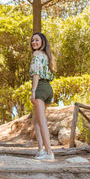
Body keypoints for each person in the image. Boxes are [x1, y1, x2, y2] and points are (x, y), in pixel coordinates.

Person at [29, 32, 56, 160]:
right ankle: (41, 150)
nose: (34, 42)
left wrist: (33, 90)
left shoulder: (37, 54)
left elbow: (36, 73)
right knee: (36, 121)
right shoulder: (47, 55)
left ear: (42, 42)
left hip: (40, 87)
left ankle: (49, 152)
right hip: (48, 88)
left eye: (37, 40)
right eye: (32, 40)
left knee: (42, 122)